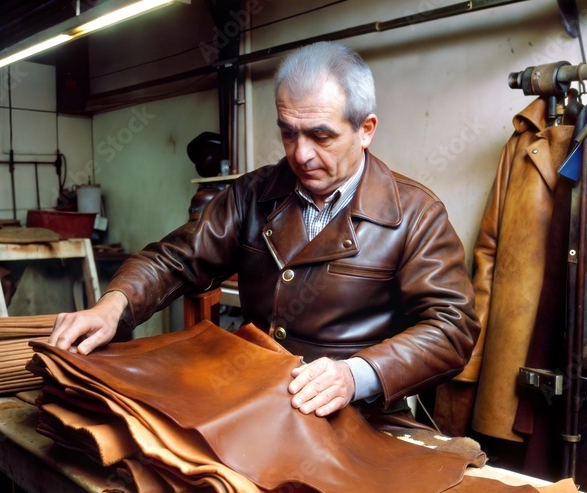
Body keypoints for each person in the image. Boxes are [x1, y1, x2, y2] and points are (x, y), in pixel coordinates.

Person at [49, 41, 479, 418]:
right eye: (288, 133)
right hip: (255, 397)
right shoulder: (252, 195)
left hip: (362, 418)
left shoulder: (416, 214)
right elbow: (176, 259)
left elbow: (451, 328)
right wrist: (113, 304)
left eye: (320, 136)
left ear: (365, 130)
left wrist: (356, 375)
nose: (301, 154)